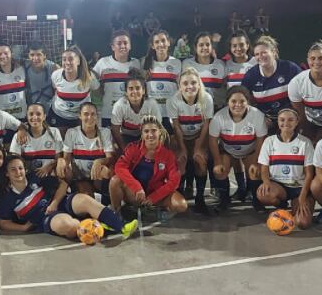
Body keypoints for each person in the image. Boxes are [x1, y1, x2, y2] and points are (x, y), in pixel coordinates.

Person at [0, 155, 138, 240]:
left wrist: (54, 203)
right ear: (7, 174)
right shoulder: (7, 198)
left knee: (84, 199)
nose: (18, 172)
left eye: (20, 168)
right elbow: (3, 222)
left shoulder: (35, 177)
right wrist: (24, 228)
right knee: (69, 226)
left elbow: (63, 184)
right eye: (13, 169)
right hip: (47, 218)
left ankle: (122, 227)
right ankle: (100, 225)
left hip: (60, 202)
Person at [110, 115, 188, 218]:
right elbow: (120, 167)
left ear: (159, 132)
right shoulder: (133, 148)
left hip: (155, 192)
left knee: (181, 205)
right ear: (142, 134)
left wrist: (154, 197)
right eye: (146, 131)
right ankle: (116, 214)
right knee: (115, 180)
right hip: (135, 193)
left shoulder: (168, 155)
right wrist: (137, 187)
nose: (150, 135)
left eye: (153, 131)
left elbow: (174, 181)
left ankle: (152, 208)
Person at [208, 86, 268, 212]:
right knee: (219, 171)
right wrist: (217, 162)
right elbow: (213, 140)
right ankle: (224, 200)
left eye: (242, 101)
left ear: (248, 102)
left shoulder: (257, 115)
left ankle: (256, 201)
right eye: (233, 101)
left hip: (250, 150)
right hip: (228, 150)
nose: (238, 105)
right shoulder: (219, 117)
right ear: (228, 102)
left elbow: (261, 140)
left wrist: (257, 162)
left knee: (255, 171)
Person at [256, 108, 315, 229]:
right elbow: (264, 168)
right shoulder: (269, 141)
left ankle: (300, 203)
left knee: (303, 223)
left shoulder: (305, 142)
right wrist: (266, 182)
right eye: (282, 120)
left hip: (299, 188)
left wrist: (302, 197)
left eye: (290, 120)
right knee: (263, 194)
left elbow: (309, 174)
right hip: (279, 186)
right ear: (277, 122)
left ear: (297, 122)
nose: (286, 123)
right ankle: (281, 205)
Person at [167, 68, 213, 202]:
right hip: (180, 136)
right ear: (179, 86)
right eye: (185, 83)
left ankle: (199, 199)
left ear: (199, 84)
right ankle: (180, 193)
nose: (190, 86)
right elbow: (175, 126)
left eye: (193, 83)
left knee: (200, 160)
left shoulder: (207, 99)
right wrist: (182, 149)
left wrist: (199, 147)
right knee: (180, 161)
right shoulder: (173, 100)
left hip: (199, 135)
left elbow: (206, 125)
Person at [241, 35, 302, 131]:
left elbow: (305, 90)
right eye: (257, 54)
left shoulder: (290, 68)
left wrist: (299, 117)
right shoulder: (251, 76)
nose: (260, 56)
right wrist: (259, 117)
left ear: (273, 52)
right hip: (266, 122)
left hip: (291, 120)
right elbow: (243, 100)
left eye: (264, 52)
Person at [57, 102, 115, 196]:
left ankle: (106, 195)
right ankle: (68, 192)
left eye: (93, 114)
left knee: (106, 171)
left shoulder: (105, 132)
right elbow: (66, 159)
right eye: (86, 114)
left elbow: (111, 158)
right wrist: (61, 161)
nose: (90, 117)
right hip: (79, 175)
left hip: (97, 175)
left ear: (97, 116)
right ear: (79, 116)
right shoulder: (72, 133)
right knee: (64, 169)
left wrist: (99, 161)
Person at [95, 30, 142, 127]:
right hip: (109, 114)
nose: (123, 46)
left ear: (130, 46)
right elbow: (93, 83)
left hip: (130, 115)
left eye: (125, 43)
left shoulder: (136, 64)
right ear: (112, 47)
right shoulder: (102, 62)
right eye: (119, 43)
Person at [48, 46, 99, 136]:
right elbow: (54, 90)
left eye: (71, 59)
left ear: (78, 61)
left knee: (79, 144)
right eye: (64, 59)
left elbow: (97, 91)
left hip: (79, 117)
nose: (67, 62)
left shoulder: (89, 77)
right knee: (61, 144)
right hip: (59, 115)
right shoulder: (56, 75)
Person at [142, 30, 182, 131]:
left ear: (168, 42)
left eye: (163, 40)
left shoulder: (176, 63)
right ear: (152, 46)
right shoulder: (145, 63)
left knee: (172, 143)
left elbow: (180, 88)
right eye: (157, 42)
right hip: (151, 113)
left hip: (171, 113)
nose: (160, 44)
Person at [111, 73, 162, 149]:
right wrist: (124, 149)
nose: (134, 91)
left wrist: (150, 147)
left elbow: (157, 127)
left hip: (145, 135)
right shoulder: (119, 105)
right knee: (115, 147)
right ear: (126, 92)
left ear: (144, 90)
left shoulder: (152, 104)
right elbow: (115, 130)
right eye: (131, 88)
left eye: (138, 88)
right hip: (125, 136)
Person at [10, 104, 63, 176]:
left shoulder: (54, 132)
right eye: (31, 114)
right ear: (27, 116)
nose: (34, 117)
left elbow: (59, 158)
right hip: (28, 175)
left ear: (44, 116)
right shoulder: (18, 136)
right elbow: (14, 161)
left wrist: (49, 167)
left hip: (50, 173)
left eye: (38, 114)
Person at [182, 32, 227, 110]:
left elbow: (225, 88)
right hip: (193, 110)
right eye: (201, 45)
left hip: (216, 109)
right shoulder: (187, 64)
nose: (205, 47)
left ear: (212, 46)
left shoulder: (221, 64)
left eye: (207, 44)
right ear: (195, 48)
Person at [0, 43, 27, 120]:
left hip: (22, 117)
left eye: (6, 53)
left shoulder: (21, 70)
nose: (3, 56)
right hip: (2, 119)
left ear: (11, 54)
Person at [23, 43, 59, 113]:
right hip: (31, 111)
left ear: (45, 56)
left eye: (39, 55)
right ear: (28, 56)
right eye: (32, 55)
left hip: (50, 110)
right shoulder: (24, 66)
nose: (35, 58)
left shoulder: (54, 68)